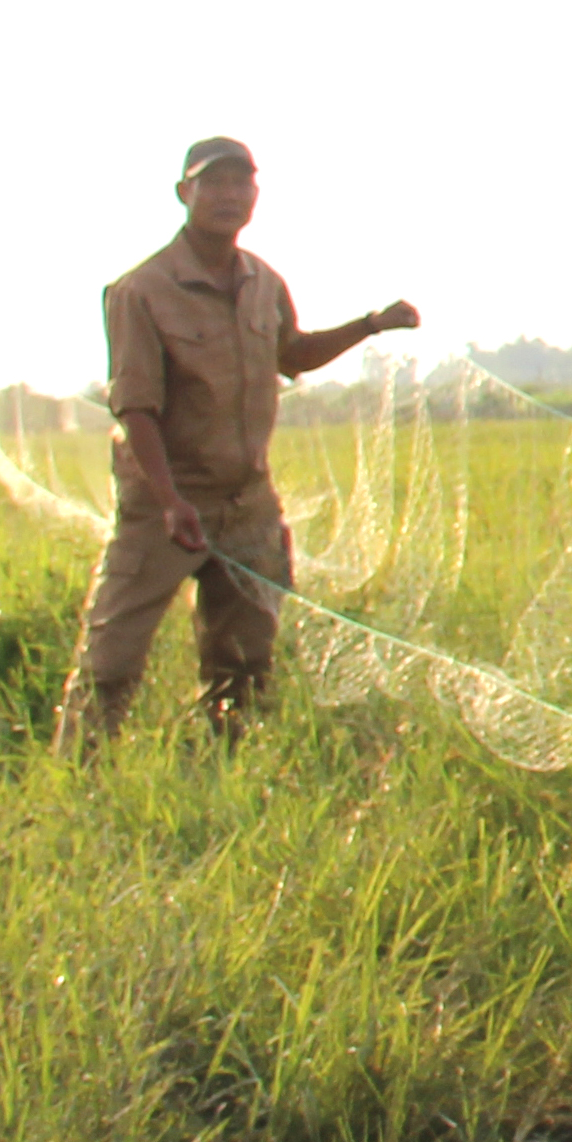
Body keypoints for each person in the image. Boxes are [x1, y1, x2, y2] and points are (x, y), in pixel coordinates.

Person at [56, 136, 420, 746]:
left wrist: (370, 325)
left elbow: (292, 354)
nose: (229, 195)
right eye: (213, 183)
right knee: (112, 660)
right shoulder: (140, 291)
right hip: (165, 503)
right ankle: (77, 775)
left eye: (240, 183)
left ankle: (223, 772)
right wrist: (171, 501)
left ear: (255, 194)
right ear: (184, 193)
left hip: (247, 502)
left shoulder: (263, 282)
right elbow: (136, 408)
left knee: (245, 664)